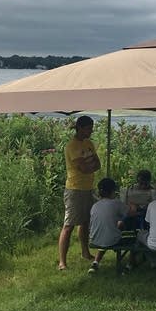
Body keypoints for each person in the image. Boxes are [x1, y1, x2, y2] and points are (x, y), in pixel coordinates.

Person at [58, 115, 101, 270]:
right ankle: (62, 261)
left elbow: (98, 164)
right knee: (69, 224)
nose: (91, 131)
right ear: (81, 128)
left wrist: (90, 167)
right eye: (89, 128)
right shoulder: (72, 146)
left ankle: (85, 252)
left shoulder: (89, 143)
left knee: (85, 222)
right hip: (75, 189)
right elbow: (82, 168)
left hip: (88, 187)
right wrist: (90, 167)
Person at [88, 177, 135, 273]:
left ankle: (96, 262)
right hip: (112, 240)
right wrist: (132, 205)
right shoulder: (116, 203)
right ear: (113, 191)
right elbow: (131, 213)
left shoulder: (95, 205)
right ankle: (129, 264)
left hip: (94, 239)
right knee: (135, 238)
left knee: (106, 236)